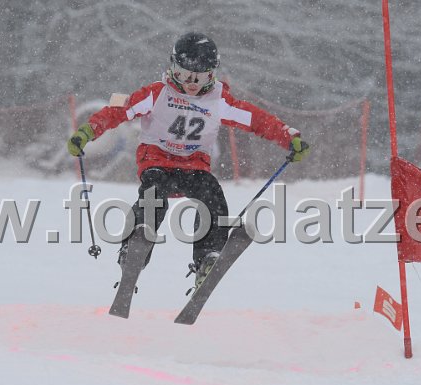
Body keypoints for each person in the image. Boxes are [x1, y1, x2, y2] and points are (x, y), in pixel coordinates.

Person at [67, 32, 309, 291]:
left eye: (201, 77)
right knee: (153, 197)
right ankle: (134, 249)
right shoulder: (157, 93)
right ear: (173, 68)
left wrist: (288, 137)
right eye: (184, 75)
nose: (192, 83)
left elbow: (257, 120)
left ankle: (208, 258)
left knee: (212, 196)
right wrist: (88, 131)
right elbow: (118, 111)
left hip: (194, 167)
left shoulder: (218, 101)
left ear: (212, 74)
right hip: (157, 162)